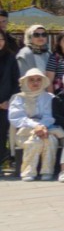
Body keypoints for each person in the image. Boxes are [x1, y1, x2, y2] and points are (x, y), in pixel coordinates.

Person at [9, 69, 58, 181]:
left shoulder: (49, 97)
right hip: (24, 131)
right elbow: (17, 117)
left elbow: (50, 116)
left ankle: (47, 171)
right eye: (31, 80)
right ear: (26, 81)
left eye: (38, 80)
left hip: (46, 129)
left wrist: (42, 126)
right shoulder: (18, 98)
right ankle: (28, 172)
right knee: (34, 140)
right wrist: (35, 126)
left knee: (50, 140)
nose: (35, 83)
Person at [0, 30, 18, 174]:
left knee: (1, 135)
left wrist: (9, 100)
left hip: (5, 104)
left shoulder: (10, 58)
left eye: (1, 39)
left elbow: (15, 82)